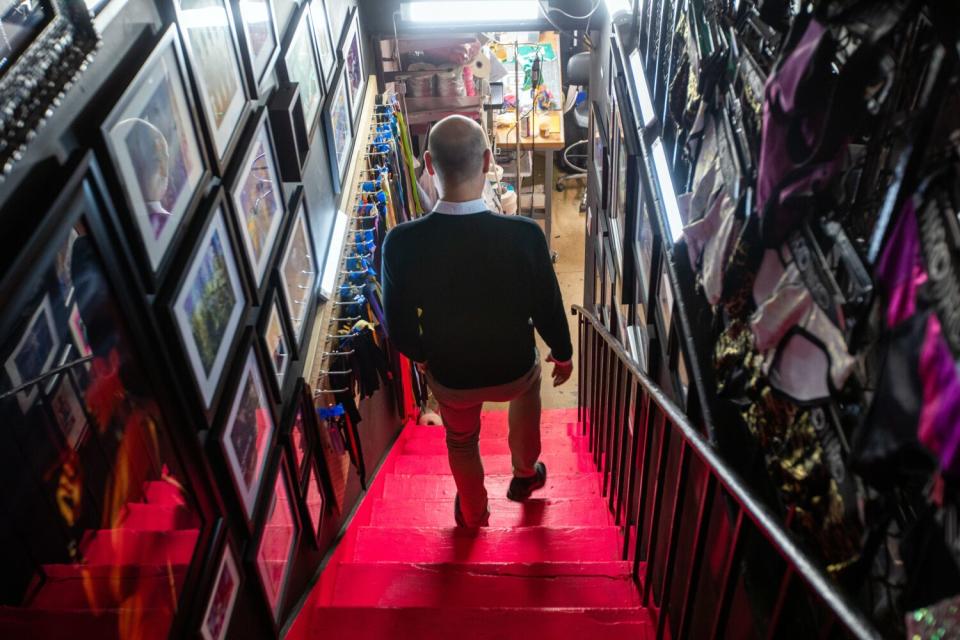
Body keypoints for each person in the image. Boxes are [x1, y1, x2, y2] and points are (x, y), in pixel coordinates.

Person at [382, 115, 573, 528]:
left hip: (451, 374)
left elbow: (396, 323)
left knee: (462, 440)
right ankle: (525, 474)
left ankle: (474, 512)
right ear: (488, 161)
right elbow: (547, 303)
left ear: (429, 165)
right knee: (528, 394)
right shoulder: (525, 235)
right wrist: (563, 352)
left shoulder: (402, 243)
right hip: (514, 367)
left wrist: (422, 357)